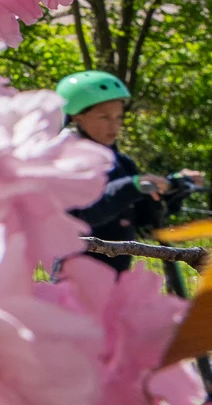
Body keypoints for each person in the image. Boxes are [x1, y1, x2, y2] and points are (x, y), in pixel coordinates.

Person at [59, 70, 203, 272]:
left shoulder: (122, 163)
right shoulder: (64, 162)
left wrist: (172, 187)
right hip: (75, 278)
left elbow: (144, 219)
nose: (114, 125)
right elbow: (87, 215)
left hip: (117, 276)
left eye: (118, 117)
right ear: (77, 118)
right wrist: (132, 186)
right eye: (104, 117)